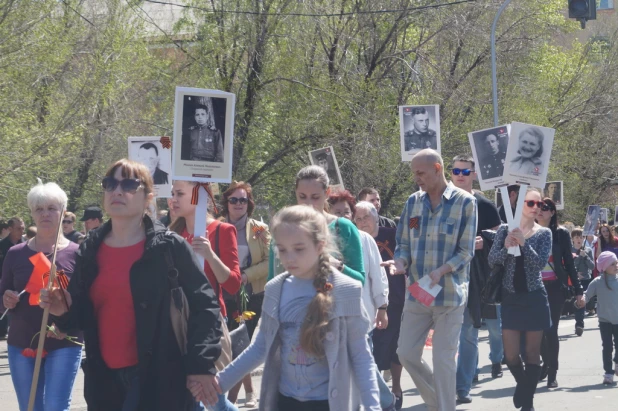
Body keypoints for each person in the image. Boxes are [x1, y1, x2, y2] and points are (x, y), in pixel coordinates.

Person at [39, 159, 230, 410]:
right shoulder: (90, 249)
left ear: (148, 197)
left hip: (160, 380)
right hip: (105, 383)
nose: (117, 191)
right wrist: (61, 310)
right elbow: (81, 317)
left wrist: (201, 366)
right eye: (110, 184)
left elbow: (205, 306)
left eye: (129, 184)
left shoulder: (168, 247)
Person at [215, 205, 380, 410]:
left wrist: (373, 406)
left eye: (299, 249)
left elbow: (361, 357)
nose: (289, 258)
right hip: (285, 402)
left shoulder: (346, 290)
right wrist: (218, 383)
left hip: (329, 404)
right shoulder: (275, 289)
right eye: (282, 250)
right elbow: (259, 348)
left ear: (320, 246)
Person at [384, 149, 477, 411]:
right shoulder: (412, 203)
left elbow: (466, 251)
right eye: (414, 173)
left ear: (437, 168)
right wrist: (400, 262)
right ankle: (440, 403)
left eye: (420, 173)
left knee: (443, 359)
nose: (416, 179)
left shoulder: (465, 203)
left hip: (450, 294)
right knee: (406, 353)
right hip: (418, 294)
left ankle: (444, 407)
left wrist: (442, 270)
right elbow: (403, 243)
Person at [1, 183, 83, 410]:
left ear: (63, 211)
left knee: (56, 407)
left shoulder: (78, 253)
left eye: (51, 208)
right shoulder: (15, 253)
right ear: (31, 213)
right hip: (22, 343)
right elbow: (2, 295)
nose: (45, 213)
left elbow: (86, 302)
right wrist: (6, 299)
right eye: (38, 209)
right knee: (30, 407)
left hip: (64, 342)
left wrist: (65, 304)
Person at [328, 191, 395, 410]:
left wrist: (382, 307)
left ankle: (385, 402)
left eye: (346, 212)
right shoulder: (322, 241)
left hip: (361, 314)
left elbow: (377, 275)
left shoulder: (365, 239)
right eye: (336, 212)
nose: (342, 216)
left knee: (363, 364)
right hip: (332, 315)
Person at [488, 188, 552, 411]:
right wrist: (506, 246)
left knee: (532, 354)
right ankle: (524, 385)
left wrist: (524, 244)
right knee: (511, 355)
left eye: (540, 204)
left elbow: (539, 264)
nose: (536, 208)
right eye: (531, 203)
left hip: (534, 297)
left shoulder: (544, 233)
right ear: (520, 204)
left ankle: (528, 403)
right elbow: (492, 259)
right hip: (511, 297)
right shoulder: (505, 229)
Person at [449, 155, 504, 404]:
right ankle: (458, 378)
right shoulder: (440, 201)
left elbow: (501, 239)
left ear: (473, 174)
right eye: (456, 170)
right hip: (443, 275)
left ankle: (462, 387)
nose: (460, 174)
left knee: (468, 332)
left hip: (473, 276)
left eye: (465, 171)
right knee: (447, 335)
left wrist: (485, 240)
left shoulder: (485, 206)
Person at [219, 181, 271, 408]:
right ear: (227, 203)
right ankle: (247, 390)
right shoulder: (216, 227)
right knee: (226, 345)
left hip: (250, 294)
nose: (238, 204)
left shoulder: (259, 229)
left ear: (249, 204)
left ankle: (230, 401)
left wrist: (246, 275)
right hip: (222, 294)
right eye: (234, 200)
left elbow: (270, 262)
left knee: (242, 345)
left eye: (243, 200)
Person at [267, 165, 365, 285]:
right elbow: (271, 282)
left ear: (327, 193)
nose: (308, 204)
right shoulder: (282, 229)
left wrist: (337, 266)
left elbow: (360, 280)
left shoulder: (343, 227)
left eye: (315, 197)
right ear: (295, 193)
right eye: (302, 196)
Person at [355, 200, 406, 409]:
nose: (362, 222)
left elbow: (406, 257)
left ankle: (395, 387)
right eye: (357, 218)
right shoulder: (354, 240)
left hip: (397, 298)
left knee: (397, 347)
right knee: (374, 350)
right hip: (369, 303)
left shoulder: (393, 235)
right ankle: (376, 395)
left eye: (366, 217)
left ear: (376, 216)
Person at [169, 180, 241, 319]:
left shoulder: (223, 230)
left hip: (211, 317)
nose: (173, 199)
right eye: (172, 193)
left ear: (200, 197)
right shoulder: (173, 232)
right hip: (179, 316)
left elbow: (233, 285)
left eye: (180, 194)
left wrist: (209, 255)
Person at [535, 198, 583, 388]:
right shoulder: (528, 230)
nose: (540, 210)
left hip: (555, 287)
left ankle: (552, 373)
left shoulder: (561, 233)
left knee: (550, 330)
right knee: (535, 331)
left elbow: (569, 264)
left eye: (545, 208)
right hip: (534, 287)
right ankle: (545, 362)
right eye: (538, 207)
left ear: (553, 212)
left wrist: (579, 290)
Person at [577, 251, 618, 385]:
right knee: (606, 346)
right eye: (613, 264)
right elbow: (587, 295)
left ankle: (617, 363)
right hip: (604, 320)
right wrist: (582, 300)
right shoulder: (597, 282)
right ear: (604, 267)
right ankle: (608, 373)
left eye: (616, 263)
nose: (616, 266)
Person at [0, 217, 25, 339]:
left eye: (23, 228)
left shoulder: (28, 245)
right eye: (18, 228)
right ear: (10, 229)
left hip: (22, 284)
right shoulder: (2, 246)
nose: (21, 231)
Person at [572, 227, 595, 336]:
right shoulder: (568, 250)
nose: (579, 239)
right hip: (572, 280)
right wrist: (575, 273)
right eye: (577, 237)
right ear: (572, 239)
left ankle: (579, 325)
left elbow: (592, 266)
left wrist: (585, 256)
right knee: (574, 302)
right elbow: (566, 265)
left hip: (585, 280)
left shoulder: (588, 250)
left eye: (581, 237)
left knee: (581, 301)